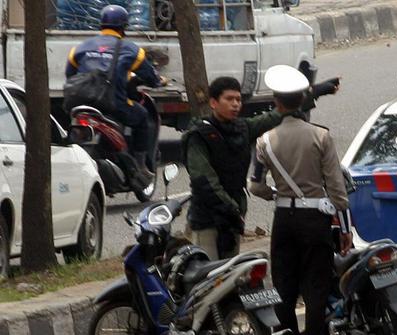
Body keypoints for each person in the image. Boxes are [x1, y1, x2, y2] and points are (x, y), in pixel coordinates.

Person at [249, 65, 353, 335]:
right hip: (315, 219)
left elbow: (255, 185)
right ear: (302, 100)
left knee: (284, 286)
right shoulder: (321, 136)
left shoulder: (265, 141)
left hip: (284, 219)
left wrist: (276, 194)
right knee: (316, 286)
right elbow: (337, 189)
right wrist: (344, 228)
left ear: (276, 103)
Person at [182, 77, 286, 260]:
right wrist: (232, 209)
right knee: (208, 280)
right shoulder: (199, 135)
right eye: (229, 99)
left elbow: (273, 117)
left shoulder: (243, 127)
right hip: (207, 219)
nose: (235, 104)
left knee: (232, 277)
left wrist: (311, 94)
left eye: (238, 99)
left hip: (232, 220)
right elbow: (204, 181)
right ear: (213, 102)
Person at [65, 5, 164, 184]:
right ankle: (141, 166)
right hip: (112, 103)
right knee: (142, 116)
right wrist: (158, 81)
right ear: (124, 27)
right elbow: (150, 77)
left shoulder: (79, 48)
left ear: (101, 24)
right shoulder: (132, 50)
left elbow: (70, 74)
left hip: (79, 102)